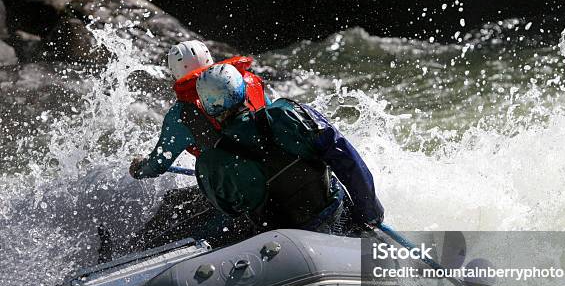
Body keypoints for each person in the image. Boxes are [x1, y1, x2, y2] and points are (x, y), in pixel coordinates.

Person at [130, 63, 384, 242]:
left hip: (284, 240)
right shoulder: (287, 113)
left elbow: (229, 210)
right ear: (241, 89)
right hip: (336, 216)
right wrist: (370, 214)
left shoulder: (210, 163)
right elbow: (345, 157)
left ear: (207, 106)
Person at [125, 40, 269, 249]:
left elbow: (157, 165)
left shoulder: (182, 115)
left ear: (175, 74)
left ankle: (134, 251)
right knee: (174, 199)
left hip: (241, 196)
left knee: (172, 218)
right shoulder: (247, 80)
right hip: (270, 173)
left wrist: (139, 169)